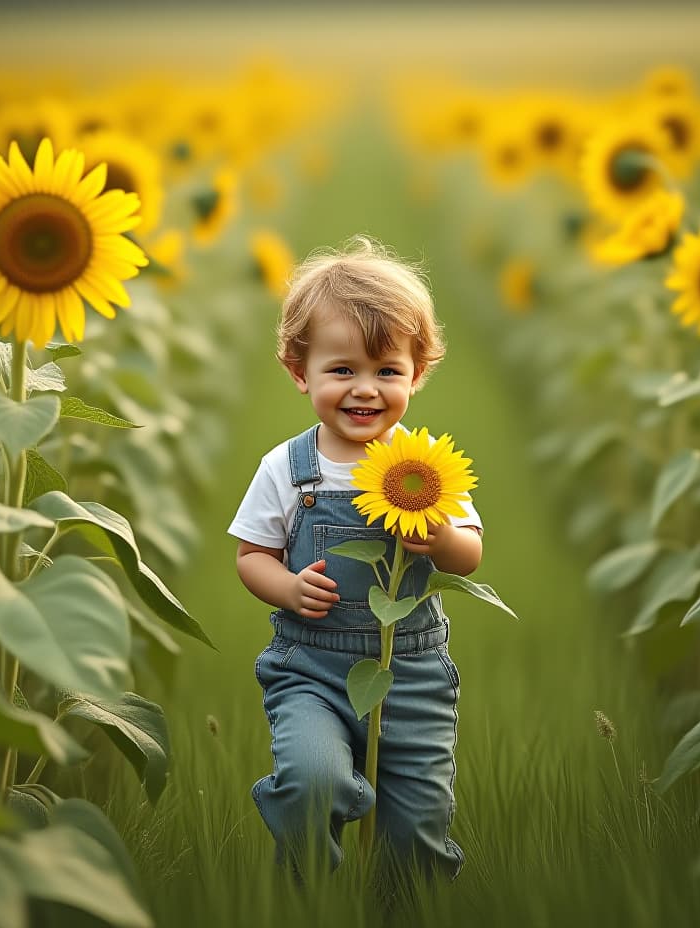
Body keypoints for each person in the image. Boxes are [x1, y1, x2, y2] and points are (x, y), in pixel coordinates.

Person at [228, 236, 483, 883]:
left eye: (387, 372)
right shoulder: (288, 468)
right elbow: (251, 554)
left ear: (417, 372)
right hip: (311, 668)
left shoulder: (426, 468)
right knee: (312, 779)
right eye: (342, 370)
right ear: (299, 370)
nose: (365, 391)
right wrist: (285, 588)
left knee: (416, 834)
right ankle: (309, 887)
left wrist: (442, 543)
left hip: (411, 675)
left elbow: (470, 553)